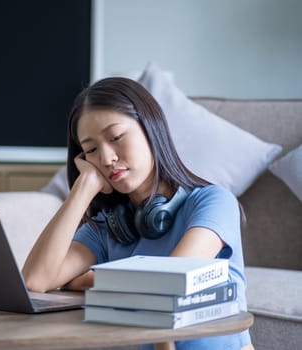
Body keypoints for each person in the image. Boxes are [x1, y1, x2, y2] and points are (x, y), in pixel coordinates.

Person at [22, 77, 254, 350]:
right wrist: (83, 188)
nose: (106, 158)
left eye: (116, 137)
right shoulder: (110, 225)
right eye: (91, 150)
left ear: (150, 129)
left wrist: (85, 280)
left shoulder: (213, 201)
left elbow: (169, 282)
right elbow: (35, 281)